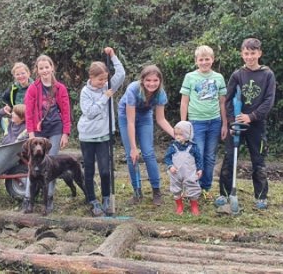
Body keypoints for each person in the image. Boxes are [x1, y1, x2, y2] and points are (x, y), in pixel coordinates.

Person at [216, 38, 276, 210]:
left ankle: (261, 197)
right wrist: (233, 121)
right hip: (236, 124)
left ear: (259, 53)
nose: (249, 57)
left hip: (256, 124)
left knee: (258, 160)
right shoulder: (237, 75)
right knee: (229, 159)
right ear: (242, 54)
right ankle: (225, 194)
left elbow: (269, 100)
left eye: (253, 53)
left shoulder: (267, 75)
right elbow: (228, 101)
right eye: (246, 53)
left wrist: (252, 116)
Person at [77, 47, 125, 217]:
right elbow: (90, 112)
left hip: (104, 135)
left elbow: (121, 73)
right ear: (91, 78)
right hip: (88, 136)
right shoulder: (85, 92)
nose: (103, 82)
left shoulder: (108, 85)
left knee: (105, 170)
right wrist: (105, 97)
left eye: (105, 79)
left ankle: (106, 198)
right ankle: (92, 200)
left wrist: (112, 56)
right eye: (100, 79)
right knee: (89, 170)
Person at [119, 65, 174, 206]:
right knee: (131, 155)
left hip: (145, 116)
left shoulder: (160, 93)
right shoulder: (133, 89)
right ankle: (137, 192)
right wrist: (133, 147)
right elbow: (130, 122)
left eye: (155, 80)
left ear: (160, 81)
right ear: (142, 80)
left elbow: (161, 119)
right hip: (126, 116)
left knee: (149, 153)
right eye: (148, 80)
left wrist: (176, 134)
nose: (152, 83)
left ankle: (156, 192)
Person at [23, 54, 72, 213]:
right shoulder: (33, 88)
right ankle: (28, 199)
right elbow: (28, 112)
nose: (44, 70)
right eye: (41, 68)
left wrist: (66, 132)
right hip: (38, 129)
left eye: (47, 67)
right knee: (32, 165)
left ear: (52, 68)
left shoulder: (60, 88)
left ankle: (49, 198)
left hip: (55, 128)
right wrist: (31, 133)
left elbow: (65, 111)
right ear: (37, 70)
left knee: (50, 165)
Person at [179, 45, 227, 200]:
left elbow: (222, 103)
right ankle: (193, 186)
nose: (204, 62)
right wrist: (183, 124)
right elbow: (184, 102)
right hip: (196, 122)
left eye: (207, 59)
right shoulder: (190, 77)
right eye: (201, 59)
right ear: (196, 61)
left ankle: (206, 187)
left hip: (214, 122)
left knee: (210, 156)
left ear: (212, 60)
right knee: (196, 155)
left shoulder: (218, 77)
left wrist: (225, 123)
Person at [164, 121, 202, 215]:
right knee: (175, 188)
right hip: (176, 173)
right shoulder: (173, 147)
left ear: (188, 134)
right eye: (176, 134)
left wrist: (200, 169)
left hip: (190, 173)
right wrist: (170, 166)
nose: (177, 136)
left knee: (193, 187)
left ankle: (194, 206)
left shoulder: (193, 147)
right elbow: (167, 157)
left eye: (180, 134)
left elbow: (199, 159)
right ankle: (179, 206)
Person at [0, 62, 32, 135]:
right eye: (17, 74)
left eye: (23, 73)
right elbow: (5, 98)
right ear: (14, 76)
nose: (21, 76)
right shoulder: (13, 87)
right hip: (18, 118)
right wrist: (8, 106)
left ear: (28, 73)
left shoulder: (35, 86)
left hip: (31, 119)